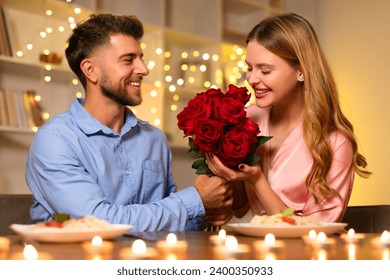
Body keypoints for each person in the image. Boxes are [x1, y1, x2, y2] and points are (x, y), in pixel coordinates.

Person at [25, 14, 233, 231]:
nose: (144, 69)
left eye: (141, 57)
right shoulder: (55, 141)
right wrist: (196, 200)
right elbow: (97, 222)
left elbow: (167, 221)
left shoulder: (154, 139)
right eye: (128, 59)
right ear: (90, 70)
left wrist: (208, 214)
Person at [205, 13, 371, 223]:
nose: (252, 79)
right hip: (258, 251)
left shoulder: (335, 143)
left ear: (301, 71)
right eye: (249, 68)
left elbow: (316, 230)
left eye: (265, 70)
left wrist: (257, 180)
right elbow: (238, 209)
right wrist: (227, 170)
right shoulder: (248, 118)